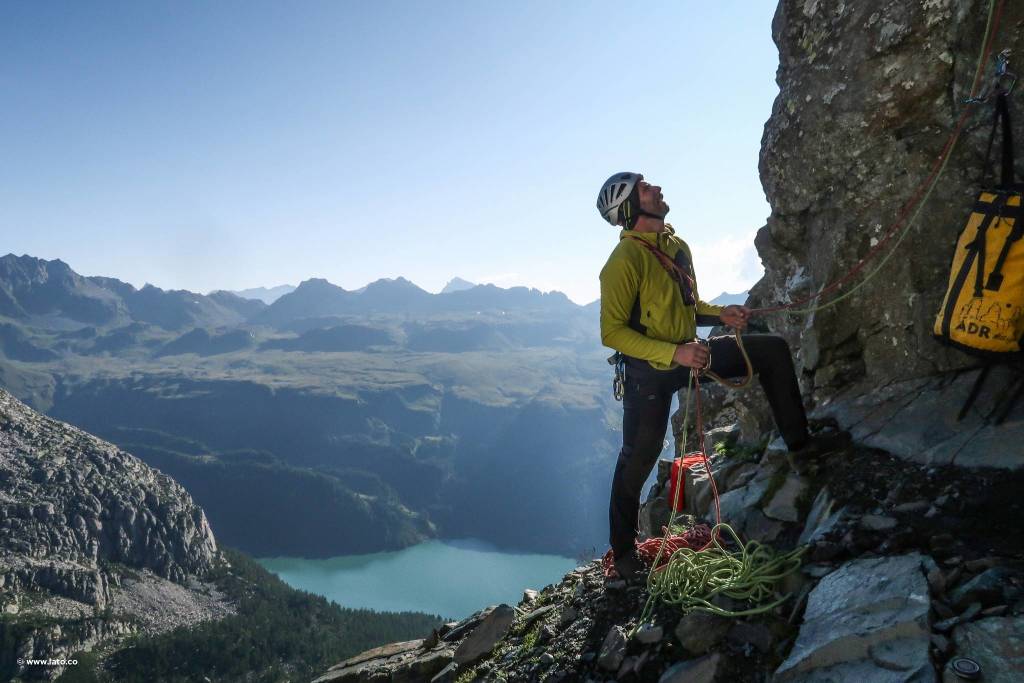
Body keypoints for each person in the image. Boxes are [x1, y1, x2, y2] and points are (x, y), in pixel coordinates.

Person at [596, 171, 813, 583]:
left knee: (772, 351)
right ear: (629, 209)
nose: (656, 188)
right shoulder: (623, 262)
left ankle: (803, 452)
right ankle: (623, 554)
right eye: (644, 188)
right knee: (636, 462)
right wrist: (674, 352)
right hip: (649, 375)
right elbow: (613, 333)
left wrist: (721, 315)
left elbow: (688, 307)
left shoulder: (676, 246)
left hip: (688, 354)